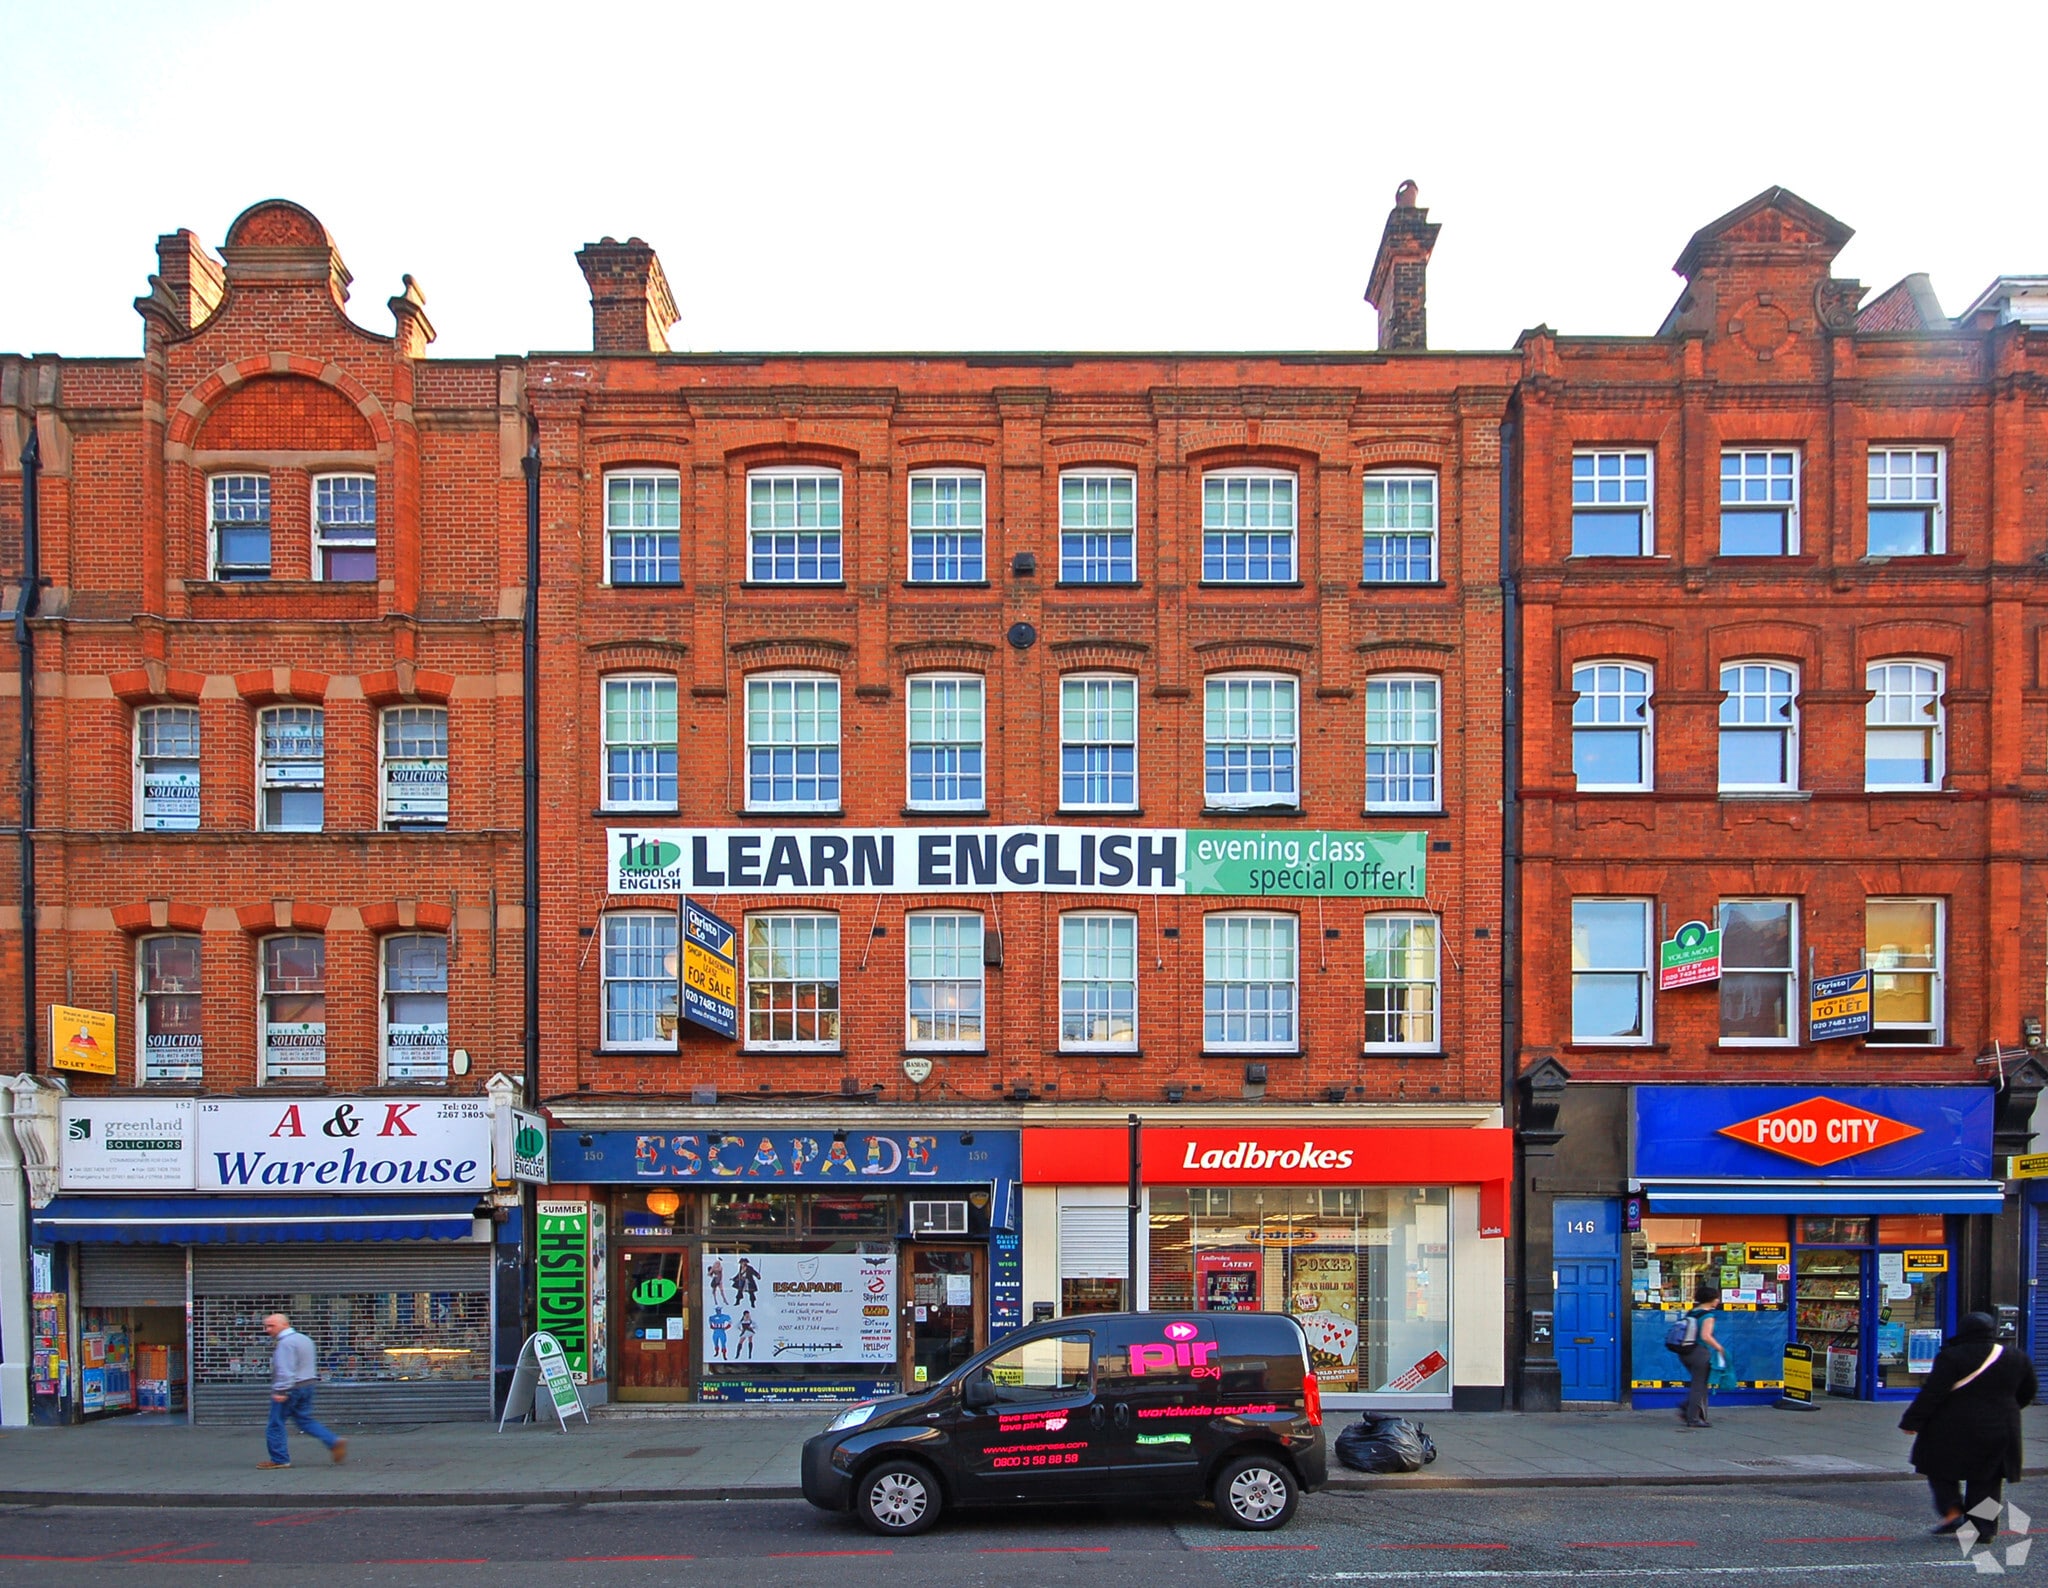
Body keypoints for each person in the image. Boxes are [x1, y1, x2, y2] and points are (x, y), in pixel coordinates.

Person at [1900, 1312, 2036, 1538]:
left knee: (1937, 1467)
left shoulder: (1952, 1357)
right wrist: (2006, 1410)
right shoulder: (2016, 1356)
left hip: (1952, 1427)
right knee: (1989, 1480)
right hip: (2001, 1427)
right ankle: (1984, 1529)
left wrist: (1913, 1420)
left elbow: (1933, 1392)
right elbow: (2028, 1391)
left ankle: (1952, 1510)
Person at [258, 1313, 346, 1470]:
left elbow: (285, 1370)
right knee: (304, 1420)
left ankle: (279, 1459)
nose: (267, 1329)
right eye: (266, 1326)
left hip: (291, 1388)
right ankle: (333, 1441)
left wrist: (281, 1391)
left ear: (284, 1324)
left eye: (271, 1326)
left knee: (275, 1424)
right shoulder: (304, 1339)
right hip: (308, 1384)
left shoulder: (285, 1344)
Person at [1677, 1282, 1726, 1429]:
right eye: (1717, 1298)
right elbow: (1705, 1336)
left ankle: (1689, 1408)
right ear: (1711, 1299)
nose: (1718, 1301)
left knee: (1698, 1383)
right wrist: (1720, 1348)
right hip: (1699, 1352)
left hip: (1685, 1351)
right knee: (1699, 1386)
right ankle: (1693, 1418)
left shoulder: (1692, 1312)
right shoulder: (1708, 1315)